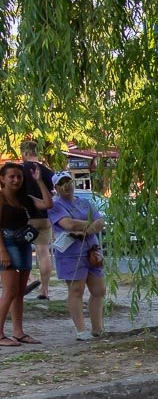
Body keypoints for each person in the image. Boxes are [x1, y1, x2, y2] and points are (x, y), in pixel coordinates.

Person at [47, 172, 105, 340]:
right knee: (76, 289)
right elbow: (68, 224)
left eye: (68, 181)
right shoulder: (55, 206)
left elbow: (101, 222)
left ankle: (97, 328)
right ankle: (81, 330)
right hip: (71, 253)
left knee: (99, 290)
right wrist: (90, 224)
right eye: (61, 183)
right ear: (56, 188)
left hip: (92, 249)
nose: (67, 186)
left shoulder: (85, 202)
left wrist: (85, 230)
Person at [0, 162, 52, 346]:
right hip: (6, 243)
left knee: (19, 292)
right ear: (2, 179)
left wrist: (39, 181)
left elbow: (47, 204)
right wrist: (2, 252)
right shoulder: (1, 198)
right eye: (11, 176)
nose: (16, 180)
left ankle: (18, 332)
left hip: (23, 243)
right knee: (10, 291)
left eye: (19, 177)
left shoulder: (24, 199)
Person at [19, 139, 56, 299]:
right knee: (43, 252)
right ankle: (44, 290)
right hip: (44, 217)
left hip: (25, 218)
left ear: (25, 152)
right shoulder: (48, 171)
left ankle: (29, 279)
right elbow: (53, 194)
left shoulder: (20, 170)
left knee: (19, 250)